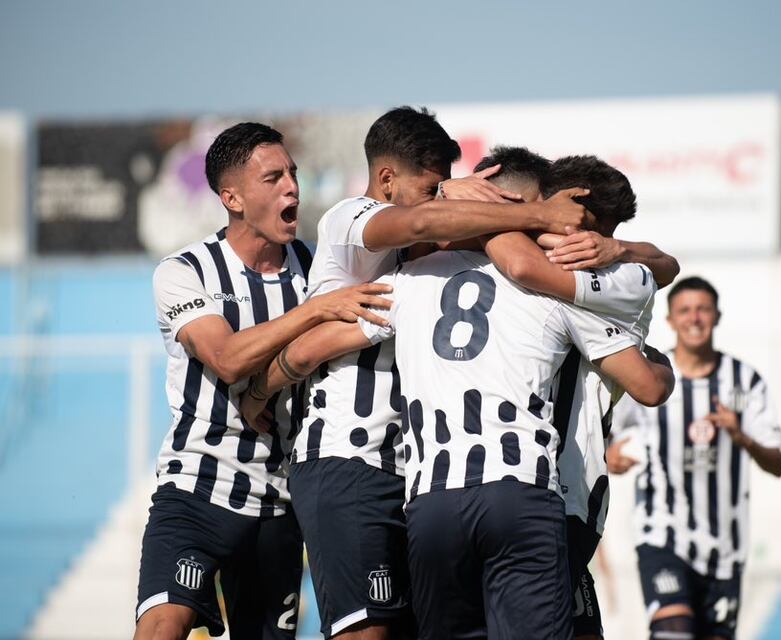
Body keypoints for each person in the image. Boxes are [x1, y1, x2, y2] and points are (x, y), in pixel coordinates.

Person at [242, 222, 674, 640]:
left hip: (436, 500)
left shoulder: (414, 280)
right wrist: (660, 359)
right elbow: (650, 378)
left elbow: (308, 350)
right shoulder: (558, 284)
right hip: (537, 495)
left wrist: (259, 391)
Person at [260, 106, 593, 640]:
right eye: (431, 188)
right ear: (387, 179)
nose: (442, 202)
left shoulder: (419, 269)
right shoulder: (349, 219)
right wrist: (537, 214)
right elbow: (417, 224)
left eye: (445, 189)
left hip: (412, 475)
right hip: (347, 459)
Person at [134, 122, 393, 640]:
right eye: (273, 178)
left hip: (281, 502)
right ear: (231, 197)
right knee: (163, 628)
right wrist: (315, 310)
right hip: (198, 486)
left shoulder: (317, 268)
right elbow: (227, 359)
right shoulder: (185, 271)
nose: (292, 188)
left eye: (293, 174)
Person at [474, 151, 678, 640]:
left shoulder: (583, 273)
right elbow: (651, 379)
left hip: (542, 492)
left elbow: (662, 265)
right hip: (543, 495)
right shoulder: (597, 274)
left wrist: (465, 206)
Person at [607, 276, 781, 640]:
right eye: (685, 311)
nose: (695, 318)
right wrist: (612, 456)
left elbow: (777, 464)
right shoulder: (650, 376)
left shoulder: (744, 381)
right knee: (673, 631)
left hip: (726, 548)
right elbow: (605, 436)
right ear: (670, 320)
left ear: (717, 316)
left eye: (703, 309)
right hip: (662, 533)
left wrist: (741, 436)